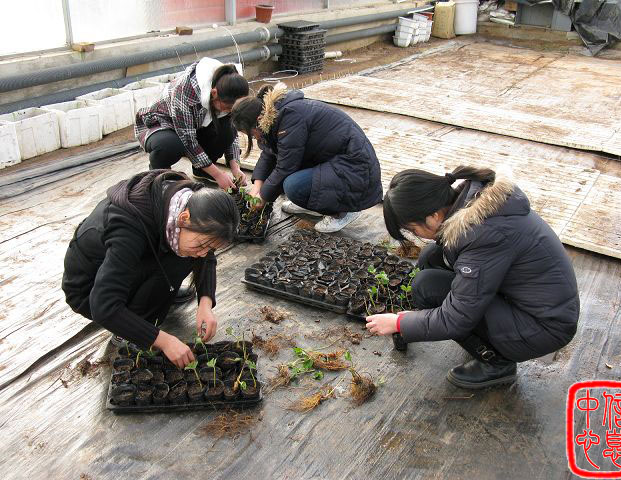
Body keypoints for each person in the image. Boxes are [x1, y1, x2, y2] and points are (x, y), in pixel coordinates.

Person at [365, 166, 580, 389]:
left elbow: (456, 318)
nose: (415, 236)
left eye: (412, 229)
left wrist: (399, 323)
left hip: (543, 328)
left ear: (433, 216)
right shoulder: (472, 204)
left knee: (427, 287)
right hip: (534, 305)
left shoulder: (483, 234)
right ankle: (486, 340)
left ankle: (497, 363)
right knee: (432, 256)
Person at [61, 170, 239, 368]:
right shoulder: (129, 228)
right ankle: (126, 331)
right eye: (203, 244)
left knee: (187, 253)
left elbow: (206, 253)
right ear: (184, 218)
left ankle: (157, 296)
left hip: (129, 263)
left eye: (210, 247)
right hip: (88, 287)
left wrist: (205, 302)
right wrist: (163, 341)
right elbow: (103, 306)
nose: (204, 252)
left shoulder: (189, 203)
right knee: (178, 260)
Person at [230, 83, 383, 233]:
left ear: (258, 120)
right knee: (286, 183)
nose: (254, 138)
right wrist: (257, 187)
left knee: (293, 186)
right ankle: (313, 204)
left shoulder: (290, 117)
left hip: (355, 169)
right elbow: (269, 153)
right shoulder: (275, 116)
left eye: (251, 134)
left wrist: (263, 197)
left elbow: (285, 167)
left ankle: (343, 212)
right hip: (336, 163)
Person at [135, 58, 250, 190]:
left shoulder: (229, 89)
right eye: (228, 108)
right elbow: (188, 141)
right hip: (162, 124)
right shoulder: (185, 92)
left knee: (227, 129)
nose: (229, 111)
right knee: (170, 145)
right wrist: (218, 174)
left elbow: (231, 132)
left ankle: (201, 170)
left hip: (193, 125)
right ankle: (159, 175)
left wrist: (235, 167)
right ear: (214, 93)